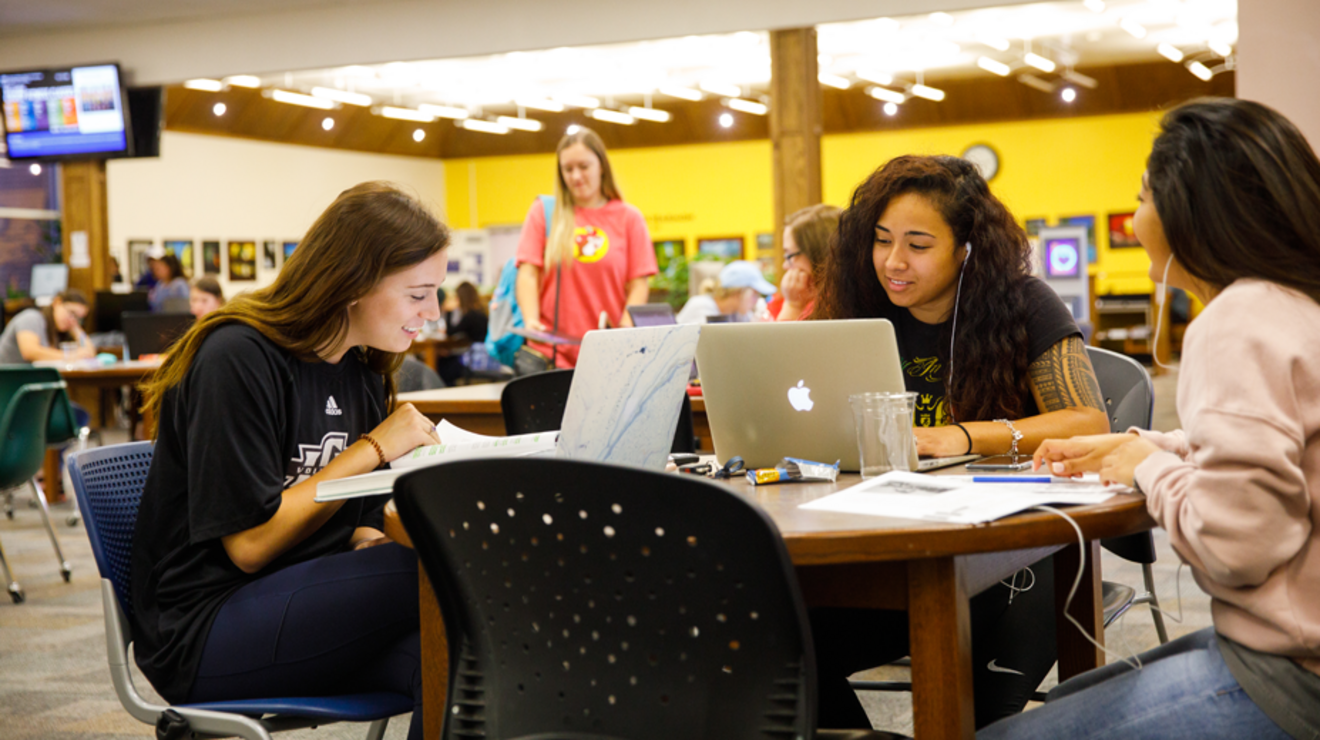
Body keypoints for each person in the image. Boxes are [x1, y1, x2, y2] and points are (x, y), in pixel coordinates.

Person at [981, 98, 1320, 740]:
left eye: (1140, 197)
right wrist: (1150, 446)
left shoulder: (1239, 320)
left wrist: (1153, 467)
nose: (1134, 218)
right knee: (1074, 695)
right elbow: (1285, 450)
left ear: (1190, 211)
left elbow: (1235, 546)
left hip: (1291, 676)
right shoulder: (1295, 305)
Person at [132, 182, 448, 740]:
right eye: (419, 294)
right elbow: (250, 546)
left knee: (453, 659)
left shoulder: (362, 367)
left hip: (296, 592)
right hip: (205, 625)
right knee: (439, 570)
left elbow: (356, 519)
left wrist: (367, 539)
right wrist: (373, 448)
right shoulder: (238, 357)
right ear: (354, 283)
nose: (434, 313)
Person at [811, 154, 1110, 729]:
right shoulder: (859, 312)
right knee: (777, 645)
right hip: (890, 548)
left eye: (918, 245)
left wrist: (964, 435)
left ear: (966, 248)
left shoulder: (1023, 304)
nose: (893, 262)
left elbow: (1088, 422)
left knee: (975, 717)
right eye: (881, 240)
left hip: (1009, 554)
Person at [514, 127, 657, 370]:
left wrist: (623, 330)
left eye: (584, 166)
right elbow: (528, 273)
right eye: (567, 169)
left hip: (608, 357)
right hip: (551, 356)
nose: (576, 176)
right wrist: (531, 320)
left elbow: (639, 284)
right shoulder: (545, 213)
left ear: (601, 165)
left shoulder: (628, 217)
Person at [768, 204, 841, 321]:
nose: (785, 265)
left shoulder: (835, 307)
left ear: (819, 255)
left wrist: (793, 306)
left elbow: (784, 339)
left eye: (789, 255)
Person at [0, 288, 95, 364]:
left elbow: (89, 353)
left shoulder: (63, 330)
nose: (73, 320)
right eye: (72, 313)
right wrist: (70, 355)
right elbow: (30, 352)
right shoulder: (31, 318)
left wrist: (76, 329)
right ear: (57, 302)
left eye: (79, 318)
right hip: (8, 383)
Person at [676, 260, 776, 323]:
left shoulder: (738, 314)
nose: (756, 300)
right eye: (755, 294)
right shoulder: (702, 307)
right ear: (738, 293)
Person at [437, 281, 489, 386]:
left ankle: (445, 394)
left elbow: (450, 332)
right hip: (486, 356)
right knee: (447, 359)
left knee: (442, 365)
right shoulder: (481, 312)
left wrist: (448, 311)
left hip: (476, 359)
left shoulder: (470, 316)